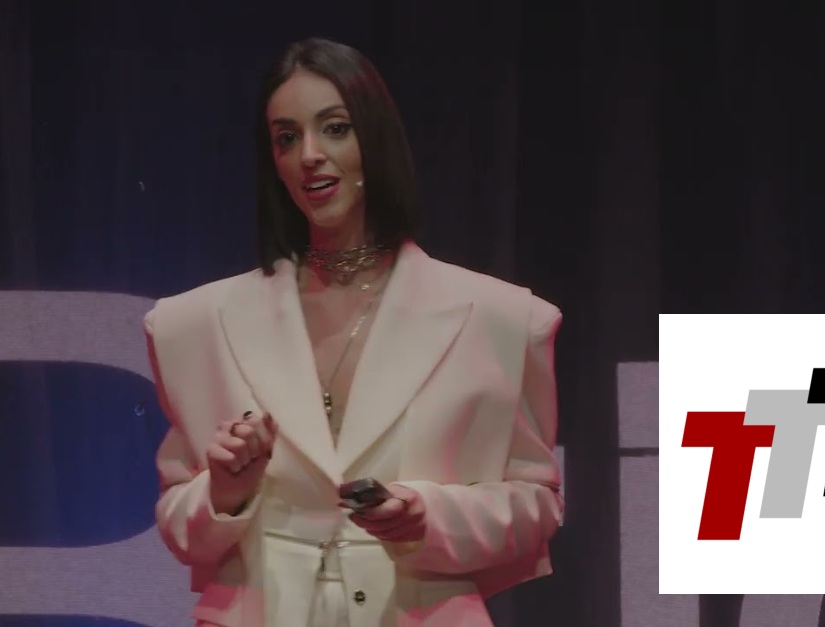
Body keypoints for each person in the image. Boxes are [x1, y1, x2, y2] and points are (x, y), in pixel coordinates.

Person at [144, 37, 564, 627]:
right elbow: (177, 521)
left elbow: (536, 504)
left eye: (335, 129)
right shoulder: (193, 324)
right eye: (287, 138)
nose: (310, 155)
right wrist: (224, 492)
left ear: (375, 139)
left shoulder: (500, 317)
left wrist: (426, 516)